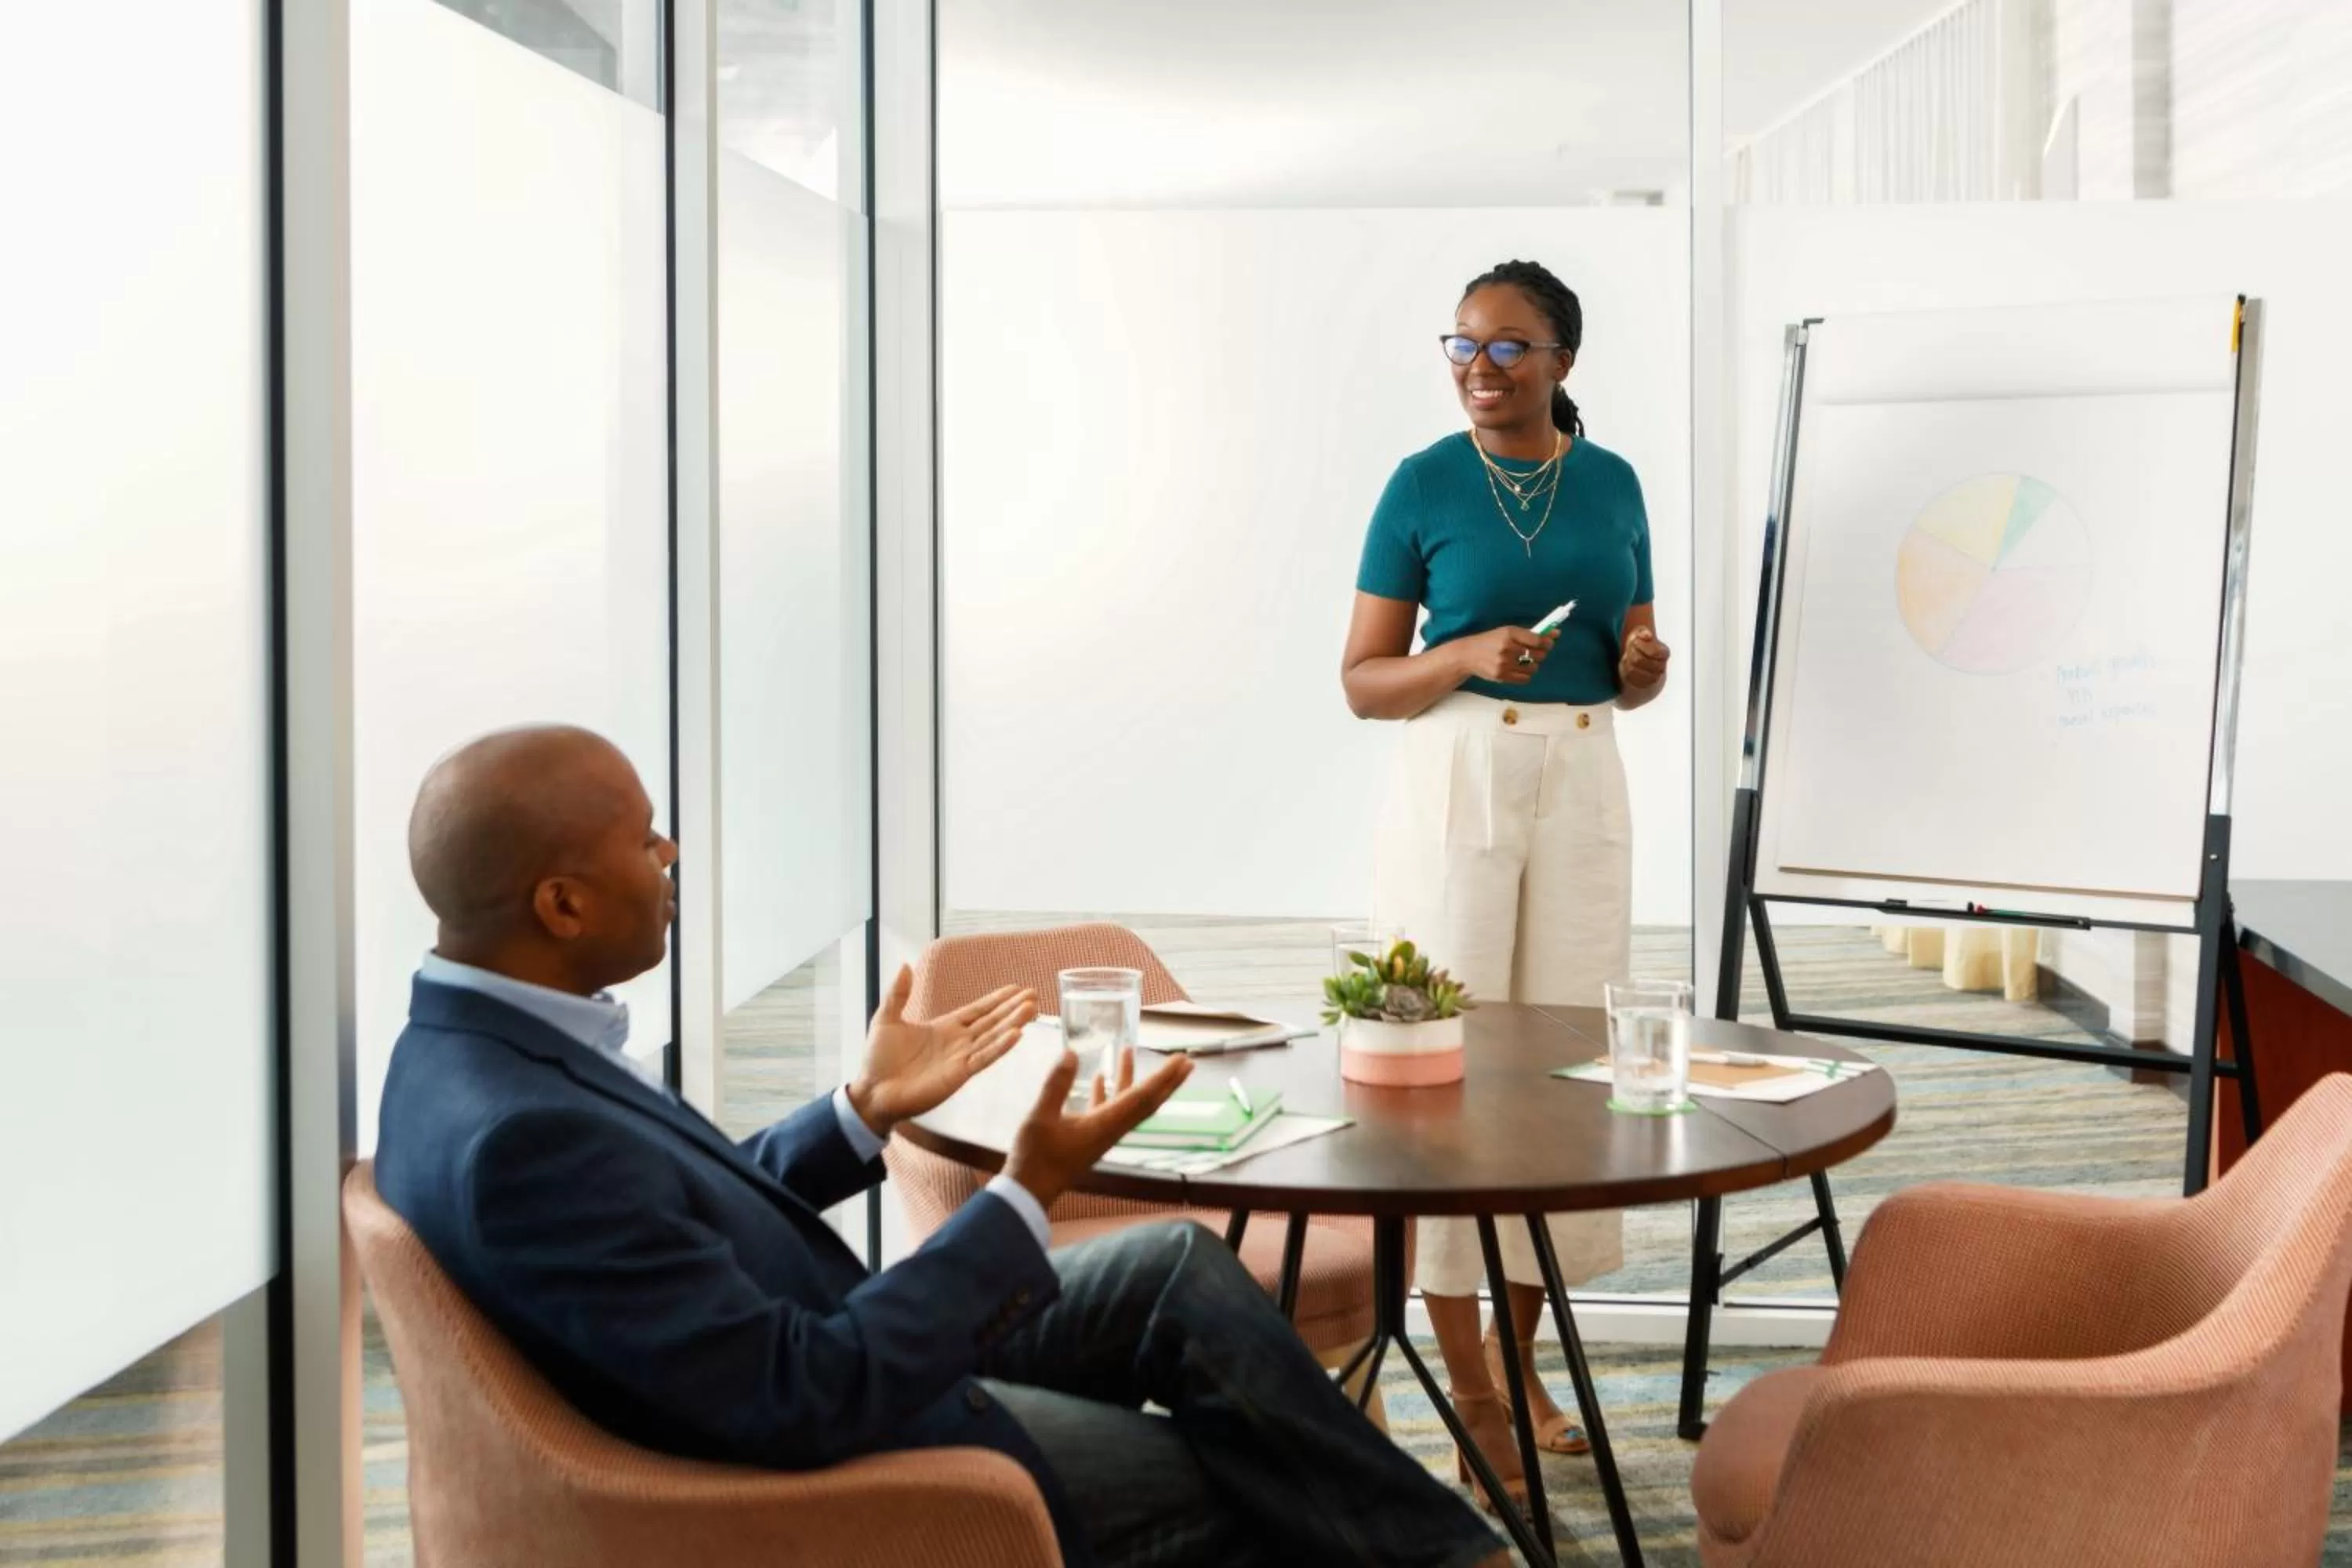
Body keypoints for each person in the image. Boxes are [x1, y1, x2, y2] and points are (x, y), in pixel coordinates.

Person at [373, 724, 1503, 1568]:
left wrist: (859, 1108)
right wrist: (1025, 1191)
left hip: (821, 1349)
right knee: (1257, 1470)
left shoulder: (481, 1051)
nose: (671, 850)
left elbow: (663, 1221)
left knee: (1169, 1270)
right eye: (643, 836)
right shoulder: (522, 1139)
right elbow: (796, 1393)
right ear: (561, 906)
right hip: (841, 1433)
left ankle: (1459, 1559)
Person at [1339, 260, 1671, 1508]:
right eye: (1465, 346)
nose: (1481, 367)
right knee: (1440, 1062)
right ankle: (1471, 1386)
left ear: (1563, 363)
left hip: (1586, 773)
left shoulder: (1616, 482)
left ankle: (1527, 1364)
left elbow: (1633, 657)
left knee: (1562, 1074)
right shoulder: (1421, 484)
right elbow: (1364, 679)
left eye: (1510, 347)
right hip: (1457, 772)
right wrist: (1468, 653)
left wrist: (1641, 664)